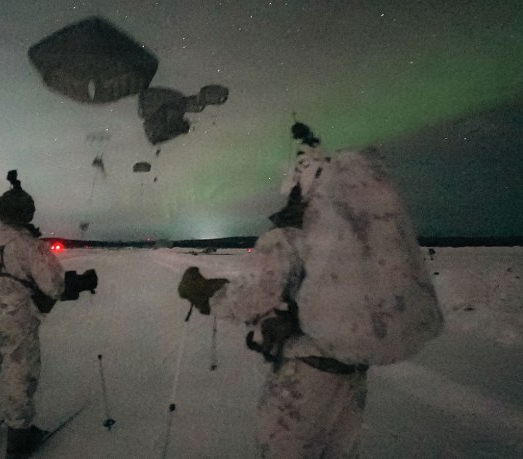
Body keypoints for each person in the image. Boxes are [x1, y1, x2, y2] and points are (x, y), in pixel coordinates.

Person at [178, 122, 442, 458]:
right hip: (352, 379)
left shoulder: (289, 236)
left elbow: (249, 299)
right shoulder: (356, 239)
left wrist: (207, 296)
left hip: (305, 380)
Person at [0, 170, 97, 456]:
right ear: (27, 213)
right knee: (19, 374)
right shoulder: (30, 244)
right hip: (15, 316)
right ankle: (19, 437)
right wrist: (78, 282)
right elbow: (54, 285)